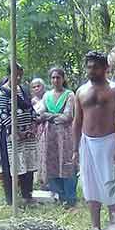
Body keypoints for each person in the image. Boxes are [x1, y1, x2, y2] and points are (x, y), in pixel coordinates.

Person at [72, 51, 115, 230]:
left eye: (95, 67)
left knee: (111, 184)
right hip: (87, 143)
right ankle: (95, 227)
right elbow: (77, 121)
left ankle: (114, 228)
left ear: (105, 68)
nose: (91, 70)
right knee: (91, 185)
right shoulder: (80, 91)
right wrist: (75, 149)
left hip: (108, 142)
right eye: (88, 67)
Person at [0, 63, 38, 205]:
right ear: (9, 74)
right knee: (10, 167)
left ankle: (27, 195)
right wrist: (17, 131)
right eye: (15, 74)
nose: (18, 78)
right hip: (11, 136)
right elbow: (2, 116)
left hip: (27, 135)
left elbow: (30, 109)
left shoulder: (22, 90)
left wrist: (32, 125)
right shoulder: (1, 92)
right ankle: (11, 200)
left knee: (27, 165)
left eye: (20, 75)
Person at [36, 67, 77, 207]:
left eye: (58, 77)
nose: (55, 80)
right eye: (53, 78)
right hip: (49, 136)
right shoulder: (46, 95)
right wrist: (53, 116)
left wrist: (49, 116)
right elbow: (40, 113)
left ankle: (70, 197)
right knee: (52, 163)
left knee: (66, 163)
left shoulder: (69, 95)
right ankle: (59, 195)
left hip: (65, 135)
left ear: (63, 79)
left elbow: (67, 116)